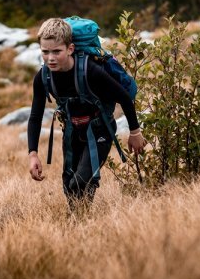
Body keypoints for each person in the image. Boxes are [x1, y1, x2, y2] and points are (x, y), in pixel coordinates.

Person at [27, 18, 145, 211]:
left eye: (57, 51)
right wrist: (33, 154)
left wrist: (135, 132)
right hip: (72, 131)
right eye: (45, 52)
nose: (50, 58)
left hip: (100, 130)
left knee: (80, 181)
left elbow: (124, 97)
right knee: (69, 185)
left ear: (70, 49)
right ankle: (81, 221)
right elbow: (35, 116)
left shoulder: (90, 71)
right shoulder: (43, 77)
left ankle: (83, 215)